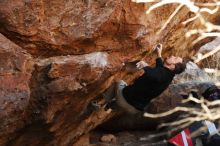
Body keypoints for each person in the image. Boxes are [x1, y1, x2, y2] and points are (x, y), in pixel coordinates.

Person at [116, 44, 186, 114]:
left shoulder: (161, 75)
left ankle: (106, 98)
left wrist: (145, 65)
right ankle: (111, 106)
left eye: (175, 58)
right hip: (135, 109)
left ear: (173, 66)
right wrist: (159, 54)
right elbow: (160, 69)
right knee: (123, 94)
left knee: (119, 82)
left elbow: (154, 75)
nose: (172, 56)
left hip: (126, 100)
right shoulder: (169, 75)